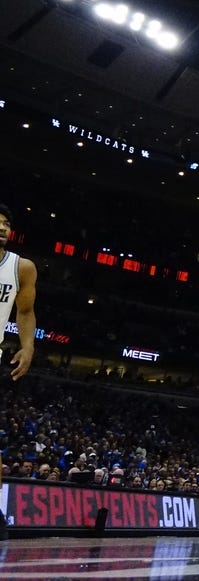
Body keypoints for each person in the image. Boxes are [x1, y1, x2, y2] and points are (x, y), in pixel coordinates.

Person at [0, 203, 37, 541]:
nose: (2, 228)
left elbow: (25, 311)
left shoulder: (21, 267)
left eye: (6, 223)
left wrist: (28, 346)